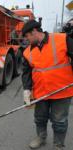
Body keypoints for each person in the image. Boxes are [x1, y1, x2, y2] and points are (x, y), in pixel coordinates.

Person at [21, 20, 73, 150]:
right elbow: (26, 72)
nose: (27, 40)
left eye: (27, 36)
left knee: (59, 121)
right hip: (41, 92)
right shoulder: (27, 52)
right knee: (40, 118)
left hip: (62, 91)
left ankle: (58, 145)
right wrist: (27, 90)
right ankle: (41, 137)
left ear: (34, 32)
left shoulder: (62, 39)